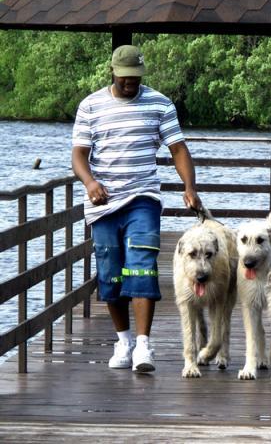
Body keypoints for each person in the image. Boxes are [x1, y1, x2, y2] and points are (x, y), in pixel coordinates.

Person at [72, 45, 201, 373]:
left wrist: (189, 187)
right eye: (125, 77)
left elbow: (178, 149)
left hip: (143, 199)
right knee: (111, 274)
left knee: (142, 267)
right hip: (103, 204)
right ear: (112, 72)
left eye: (136, 77)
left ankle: (144, 345)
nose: (131, 82)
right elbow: (79, 155)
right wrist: (89, 183)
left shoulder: (159, 103)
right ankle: (124, 340)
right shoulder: (91, 105)